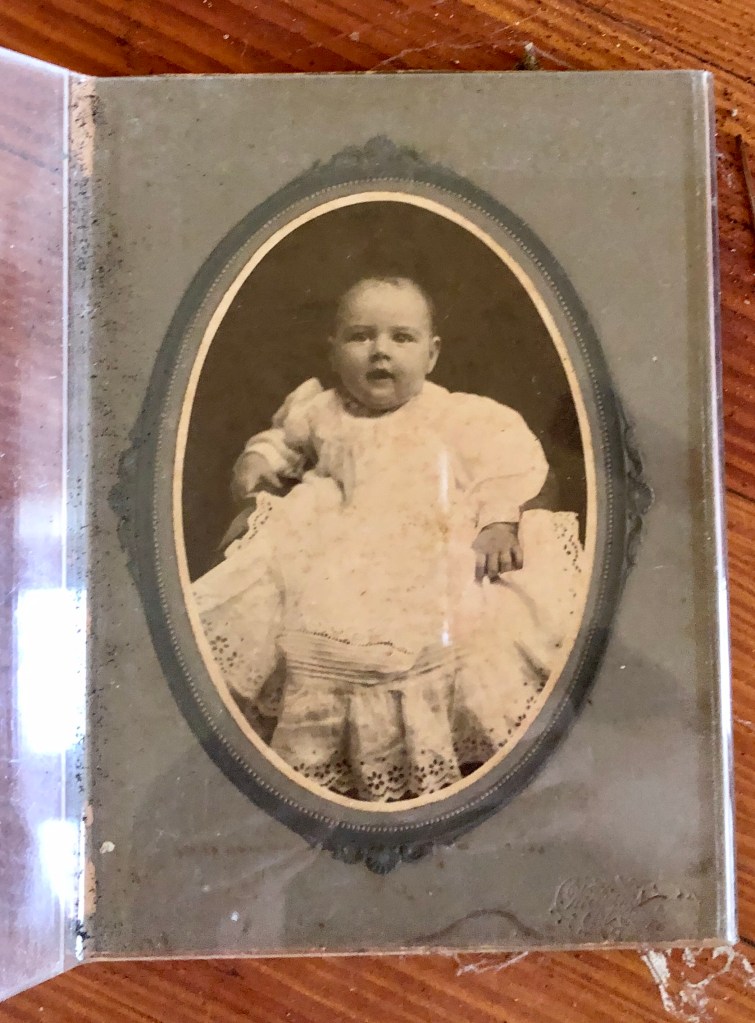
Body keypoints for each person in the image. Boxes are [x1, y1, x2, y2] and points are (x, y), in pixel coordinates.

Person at [193, 276, 585, 800]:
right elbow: (283, 443)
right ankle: (339, 757)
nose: (380, 351)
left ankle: (433, 750)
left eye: (402, 337)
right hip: (338, 546)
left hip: (429, 544)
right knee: (308, 623)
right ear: (334, 352)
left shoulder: (457, 415)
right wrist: (259, 462)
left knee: (459, 633)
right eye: (360, 336)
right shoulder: (321, 410)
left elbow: (505, 465)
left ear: (431, 354)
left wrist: (498, 522)